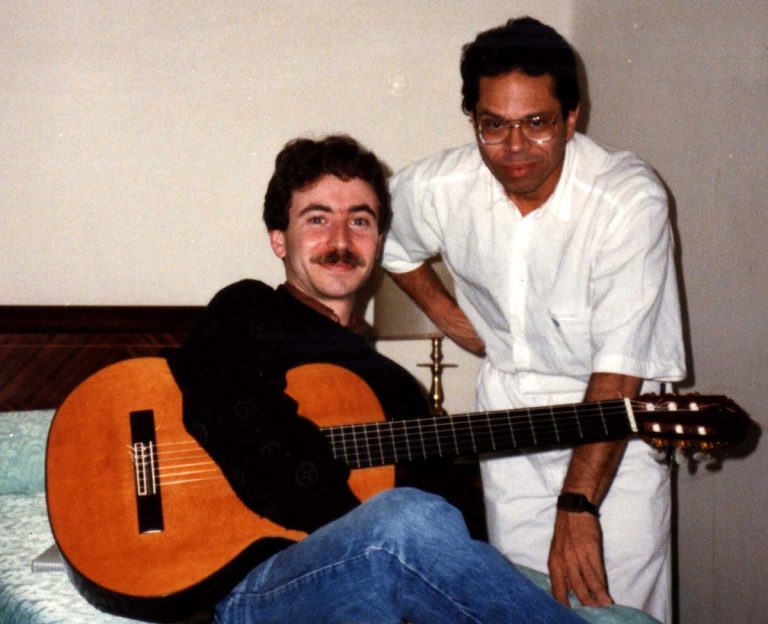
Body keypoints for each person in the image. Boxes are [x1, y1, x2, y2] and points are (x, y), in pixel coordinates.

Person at [164, 135, 657, 624]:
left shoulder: (395, 387)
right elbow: (230, 413)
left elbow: (447, 529)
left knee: (624, 621)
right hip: (252, 586)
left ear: (378, 243)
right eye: (317, 219)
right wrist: (366, 522)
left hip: (373, 577)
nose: (341, 240)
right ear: (278, 239)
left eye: (360, 221)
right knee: (406, 519)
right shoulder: (248, 309)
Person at [381, 17, 686, 623]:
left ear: (572, 118)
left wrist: (578, 506)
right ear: (473, 119)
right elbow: (390, 242)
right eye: (494, 125)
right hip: (509, 423)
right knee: (517, 608)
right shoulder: (439, 186)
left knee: (617, 612)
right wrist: (449, 315)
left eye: (537, 123)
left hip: (616, 425)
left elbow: (619, 371)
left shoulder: (627, 200)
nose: (515, 147)